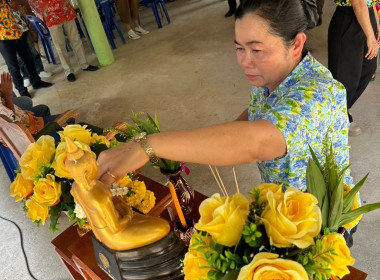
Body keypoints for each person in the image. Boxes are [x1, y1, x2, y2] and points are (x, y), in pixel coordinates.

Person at [97, 0, 356, 240]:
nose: (244, 61)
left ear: (297, 44)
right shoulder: (271, 75)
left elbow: (256, 142)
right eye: (239, 48)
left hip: (320, 225)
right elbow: (255, 116)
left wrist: (148, 146)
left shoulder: (318, 93)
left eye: (256, 49)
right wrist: (196, 146)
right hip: (283, 211)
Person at [328, 0, 379, 136]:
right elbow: (358, 3)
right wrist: (370, 37)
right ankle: (339, 116)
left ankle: (344, 106)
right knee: (345, 76)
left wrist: (376, 21)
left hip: (367, 15)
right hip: (349, 18)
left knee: (368, 68)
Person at [34, 0, 99, 82]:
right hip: (51, 17)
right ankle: (68, 71)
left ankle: (84, 64)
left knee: (76, 40)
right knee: (60, 46)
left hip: (66, 11)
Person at [0, 0, 53, 98]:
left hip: (20, 28)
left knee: (28, 58)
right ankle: (22, 90)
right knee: (13, 66)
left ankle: (36, 81)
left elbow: (22, 2)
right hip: (3, 35)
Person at [0, 72, 67, 135]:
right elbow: (11, 123)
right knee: (68, 119)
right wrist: (7, 95)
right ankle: (43, 136)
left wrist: (4, 94)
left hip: (22, 118)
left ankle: (51, 135)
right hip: (25, 132)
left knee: (43, 108)